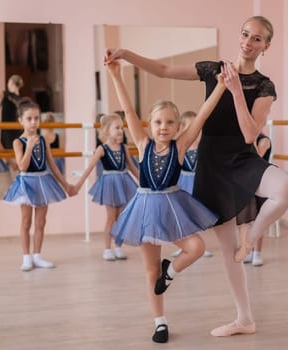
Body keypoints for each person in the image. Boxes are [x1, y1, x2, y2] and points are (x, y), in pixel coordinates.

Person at [105, 15, 288, 337]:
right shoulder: (213, 69)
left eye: (257, 38)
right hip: (212, 164)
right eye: (246, 34)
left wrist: (235, 90)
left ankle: (252, 239)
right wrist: (126, 54)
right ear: (240, 36)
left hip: (242, 157)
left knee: (286, 190)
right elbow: (163, 70)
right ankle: (244, 318)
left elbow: (250, 134)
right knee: (227, 249)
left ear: (266, 46)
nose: (249, 42)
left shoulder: (264, 86)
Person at [106, 59, 226, 343]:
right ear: (150, 124)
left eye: (170, 122)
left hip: (173, 208)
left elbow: (202, 117)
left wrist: (220, 86)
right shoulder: (143, 143)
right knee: (150, 270)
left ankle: (169, 272)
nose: (163, 127)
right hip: (145, 210)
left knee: (196, 246)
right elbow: (128, 109)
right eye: (158, 122)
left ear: (176, 127)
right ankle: (160, 322)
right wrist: (115, 75)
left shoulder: (181, 146)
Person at [3, 98, 76, 271]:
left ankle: (37, 255)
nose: (34, 122)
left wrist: (66, 185)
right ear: (20, 120)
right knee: (26, 221)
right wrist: (28, 147)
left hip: (43, 182)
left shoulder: (43, 140)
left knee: (41, 221)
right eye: (29, 118)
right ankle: (26, 257)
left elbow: (51, 164)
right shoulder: (18, 142)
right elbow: (21, 166)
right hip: (27, 182)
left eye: (36, 118)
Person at [73, 113, 139, 261]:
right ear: (107, 130)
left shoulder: (124, 148)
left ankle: (119, 246)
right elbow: (89, 168)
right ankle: (107, 249)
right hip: (110, 184)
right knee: (111, 217)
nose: (121, 130)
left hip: (124, 182)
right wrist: (78, 185)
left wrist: (146, 182)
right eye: (117, 128)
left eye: (122, 128)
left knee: (121, 217)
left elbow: (133, 168)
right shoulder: (102, 149)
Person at [172, 111, 213, 258]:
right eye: (190, 127)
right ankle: (185, 243)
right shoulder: (180, 148)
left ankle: (200, 245)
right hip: (182, 183)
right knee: (184, 214)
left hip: (198, 183)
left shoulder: (203, 147)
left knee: (196, 213)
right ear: (182, 129)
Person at [238, 132, 272, 266]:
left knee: (258, 220)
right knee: (245, 221)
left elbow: (254, 159)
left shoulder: (264, 141)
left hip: (260, 184)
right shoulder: (241, 139)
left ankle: (257, 253)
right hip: (244, 184)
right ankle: (249, 251)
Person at [0, 74, 24, 170]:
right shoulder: (10, 96)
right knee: (11, 155)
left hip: (11, 128)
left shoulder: (10, 96)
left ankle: (18, 177)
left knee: (13, 155)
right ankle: (17, 177)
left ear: (11, 83)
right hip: (8, 128)